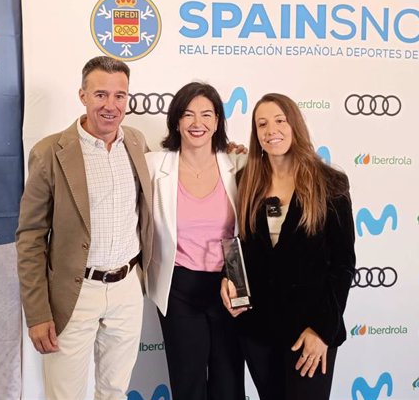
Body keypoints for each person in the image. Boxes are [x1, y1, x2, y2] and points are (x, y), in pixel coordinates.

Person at [15, 56, 152, 400]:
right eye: (100, 94)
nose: (111, 105)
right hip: (74, 292)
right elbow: (30, 237)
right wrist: (37, 313)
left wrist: (230, 154)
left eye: (119, 96)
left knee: (115, 392)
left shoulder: (136, 142)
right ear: (83, 96)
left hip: (126, 290)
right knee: (65, 395)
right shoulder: (49, 152)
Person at [221, 93, 355, 400]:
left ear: (295, 125)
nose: (271, 131)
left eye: (280, 121)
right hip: (259, 330)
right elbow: (241, 245)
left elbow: (343, 263)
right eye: (262, 124)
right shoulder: (246, 181)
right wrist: (229, 278)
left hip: (309, 333)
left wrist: (322, 331)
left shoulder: (330, 182)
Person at [145, 82, 246, 400]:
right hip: (179, 289)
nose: (197, 123)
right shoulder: (154, 166)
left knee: (229, 384)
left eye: (206, 114)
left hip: (231, 283)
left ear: (218, 121)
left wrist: (234, 279)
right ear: (176, 121)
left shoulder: (239, 165)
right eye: (188, 114)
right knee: (187, 385)